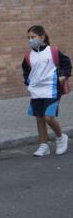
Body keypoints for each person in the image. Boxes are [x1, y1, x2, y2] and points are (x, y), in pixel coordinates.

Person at [22, 25, 71, 156]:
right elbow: (26, 71)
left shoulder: (53, 51)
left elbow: (67, 63)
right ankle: (43, 145)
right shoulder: (28, 56)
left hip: (52, 89)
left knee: (48, 117)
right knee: (39, 118)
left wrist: (64, 76)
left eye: (33, 37)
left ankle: (61, 138)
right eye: (28, 38)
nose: (30, 40)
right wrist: (28, 81)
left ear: (42, 37)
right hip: (36, 91)